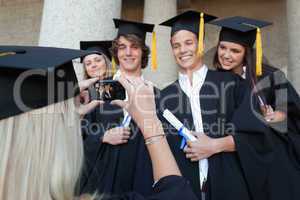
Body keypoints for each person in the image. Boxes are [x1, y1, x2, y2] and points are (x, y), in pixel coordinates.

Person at [0, 45, 198, 200]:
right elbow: (177, 194)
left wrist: (69, 112)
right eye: (88, 62)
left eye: (97, 60)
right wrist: (149, 127)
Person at [158, 10, 275, 200]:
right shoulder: (164, 97)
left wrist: (215, 145)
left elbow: (257, 136)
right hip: (185, 190)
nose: (182, 50)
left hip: (230, 185)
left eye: (189, 43)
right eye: (176, 45)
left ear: (201, 45)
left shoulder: (232, 84)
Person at [210, 16, 300, 200]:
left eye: (235, 50)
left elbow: (290, 110)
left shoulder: (271, 76)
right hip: (237, 164)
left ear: (246, 53)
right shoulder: (214, 81)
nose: (226, 55)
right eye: (222, 47)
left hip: (273, 164)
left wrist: (278, 115)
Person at [80, 19, 158, 197]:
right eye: (122, 47)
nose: (128, 53)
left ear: (143, 51)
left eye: (134, 46)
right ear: (115, 52)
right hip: (100, 184)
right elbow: (76, 138)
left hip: (139, 184)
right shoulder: (96, 92)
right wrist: (102, 136)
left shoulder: (155, 94)